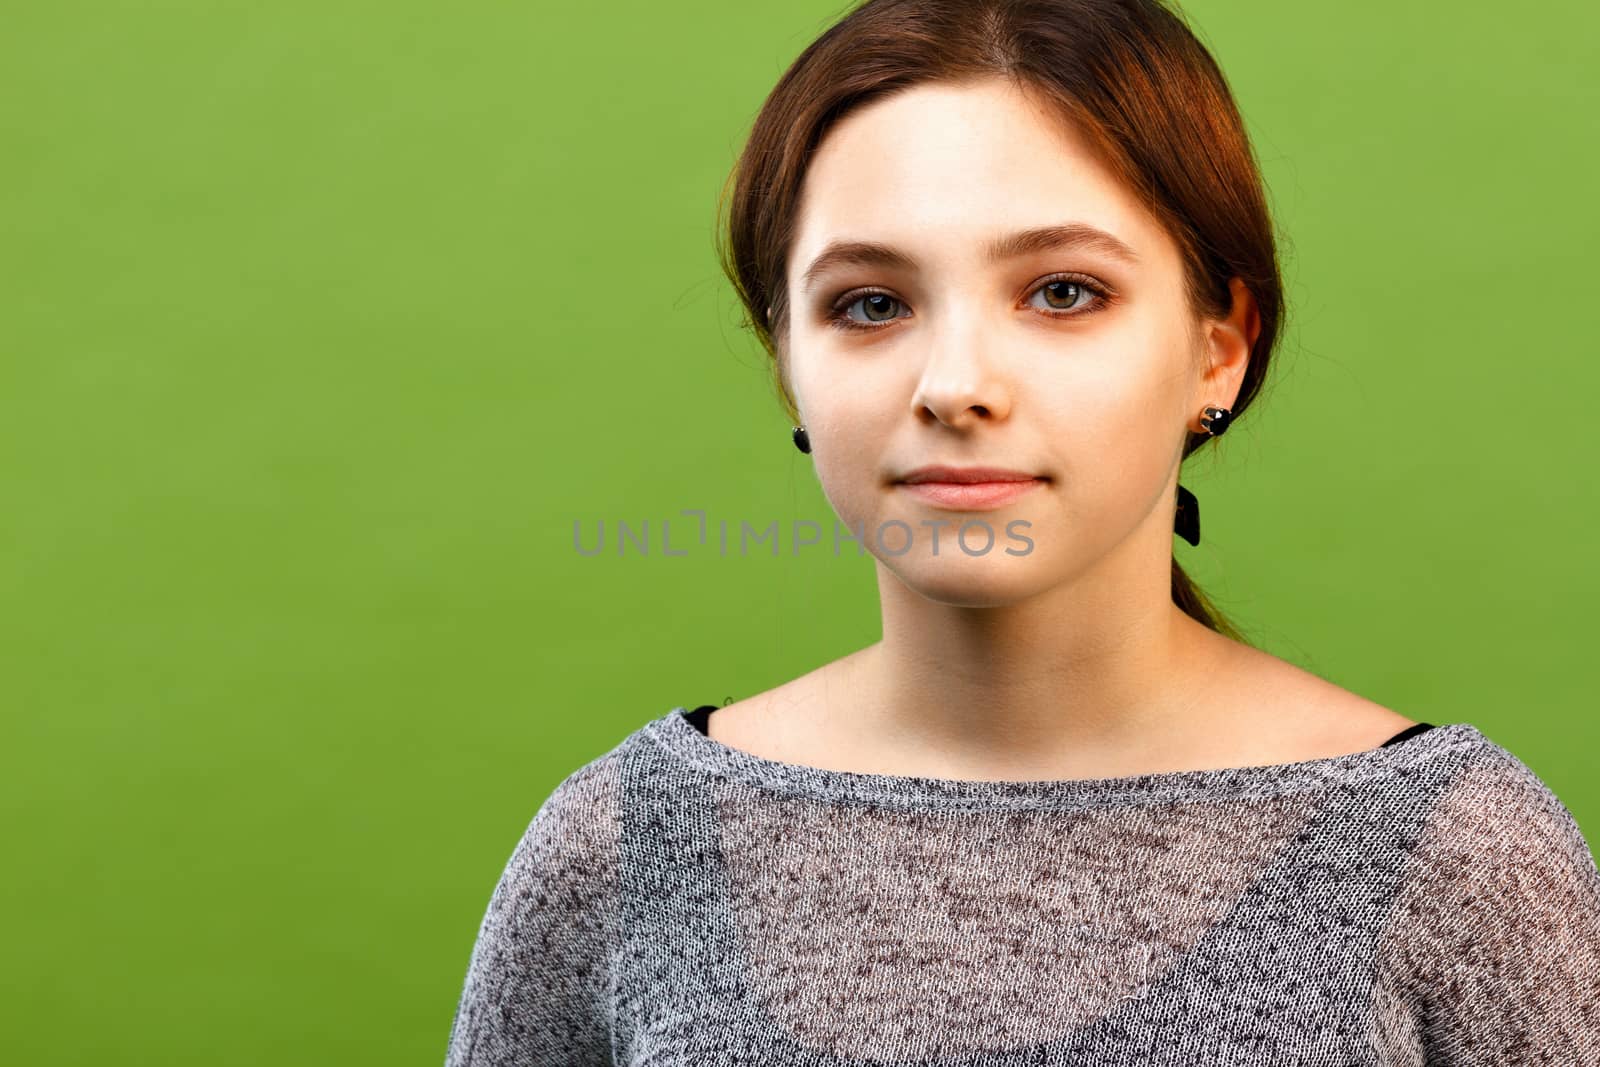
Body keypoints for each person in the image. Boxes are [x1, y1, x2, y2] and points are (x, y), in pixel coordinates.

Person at [444, 1, 1600, 1062]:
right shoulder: (620, 849)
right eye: (869, 304)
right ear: (784, 362)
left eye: (1061, 291)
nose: (955, 384)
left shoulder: (1458, 860)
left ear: (1219, 345)